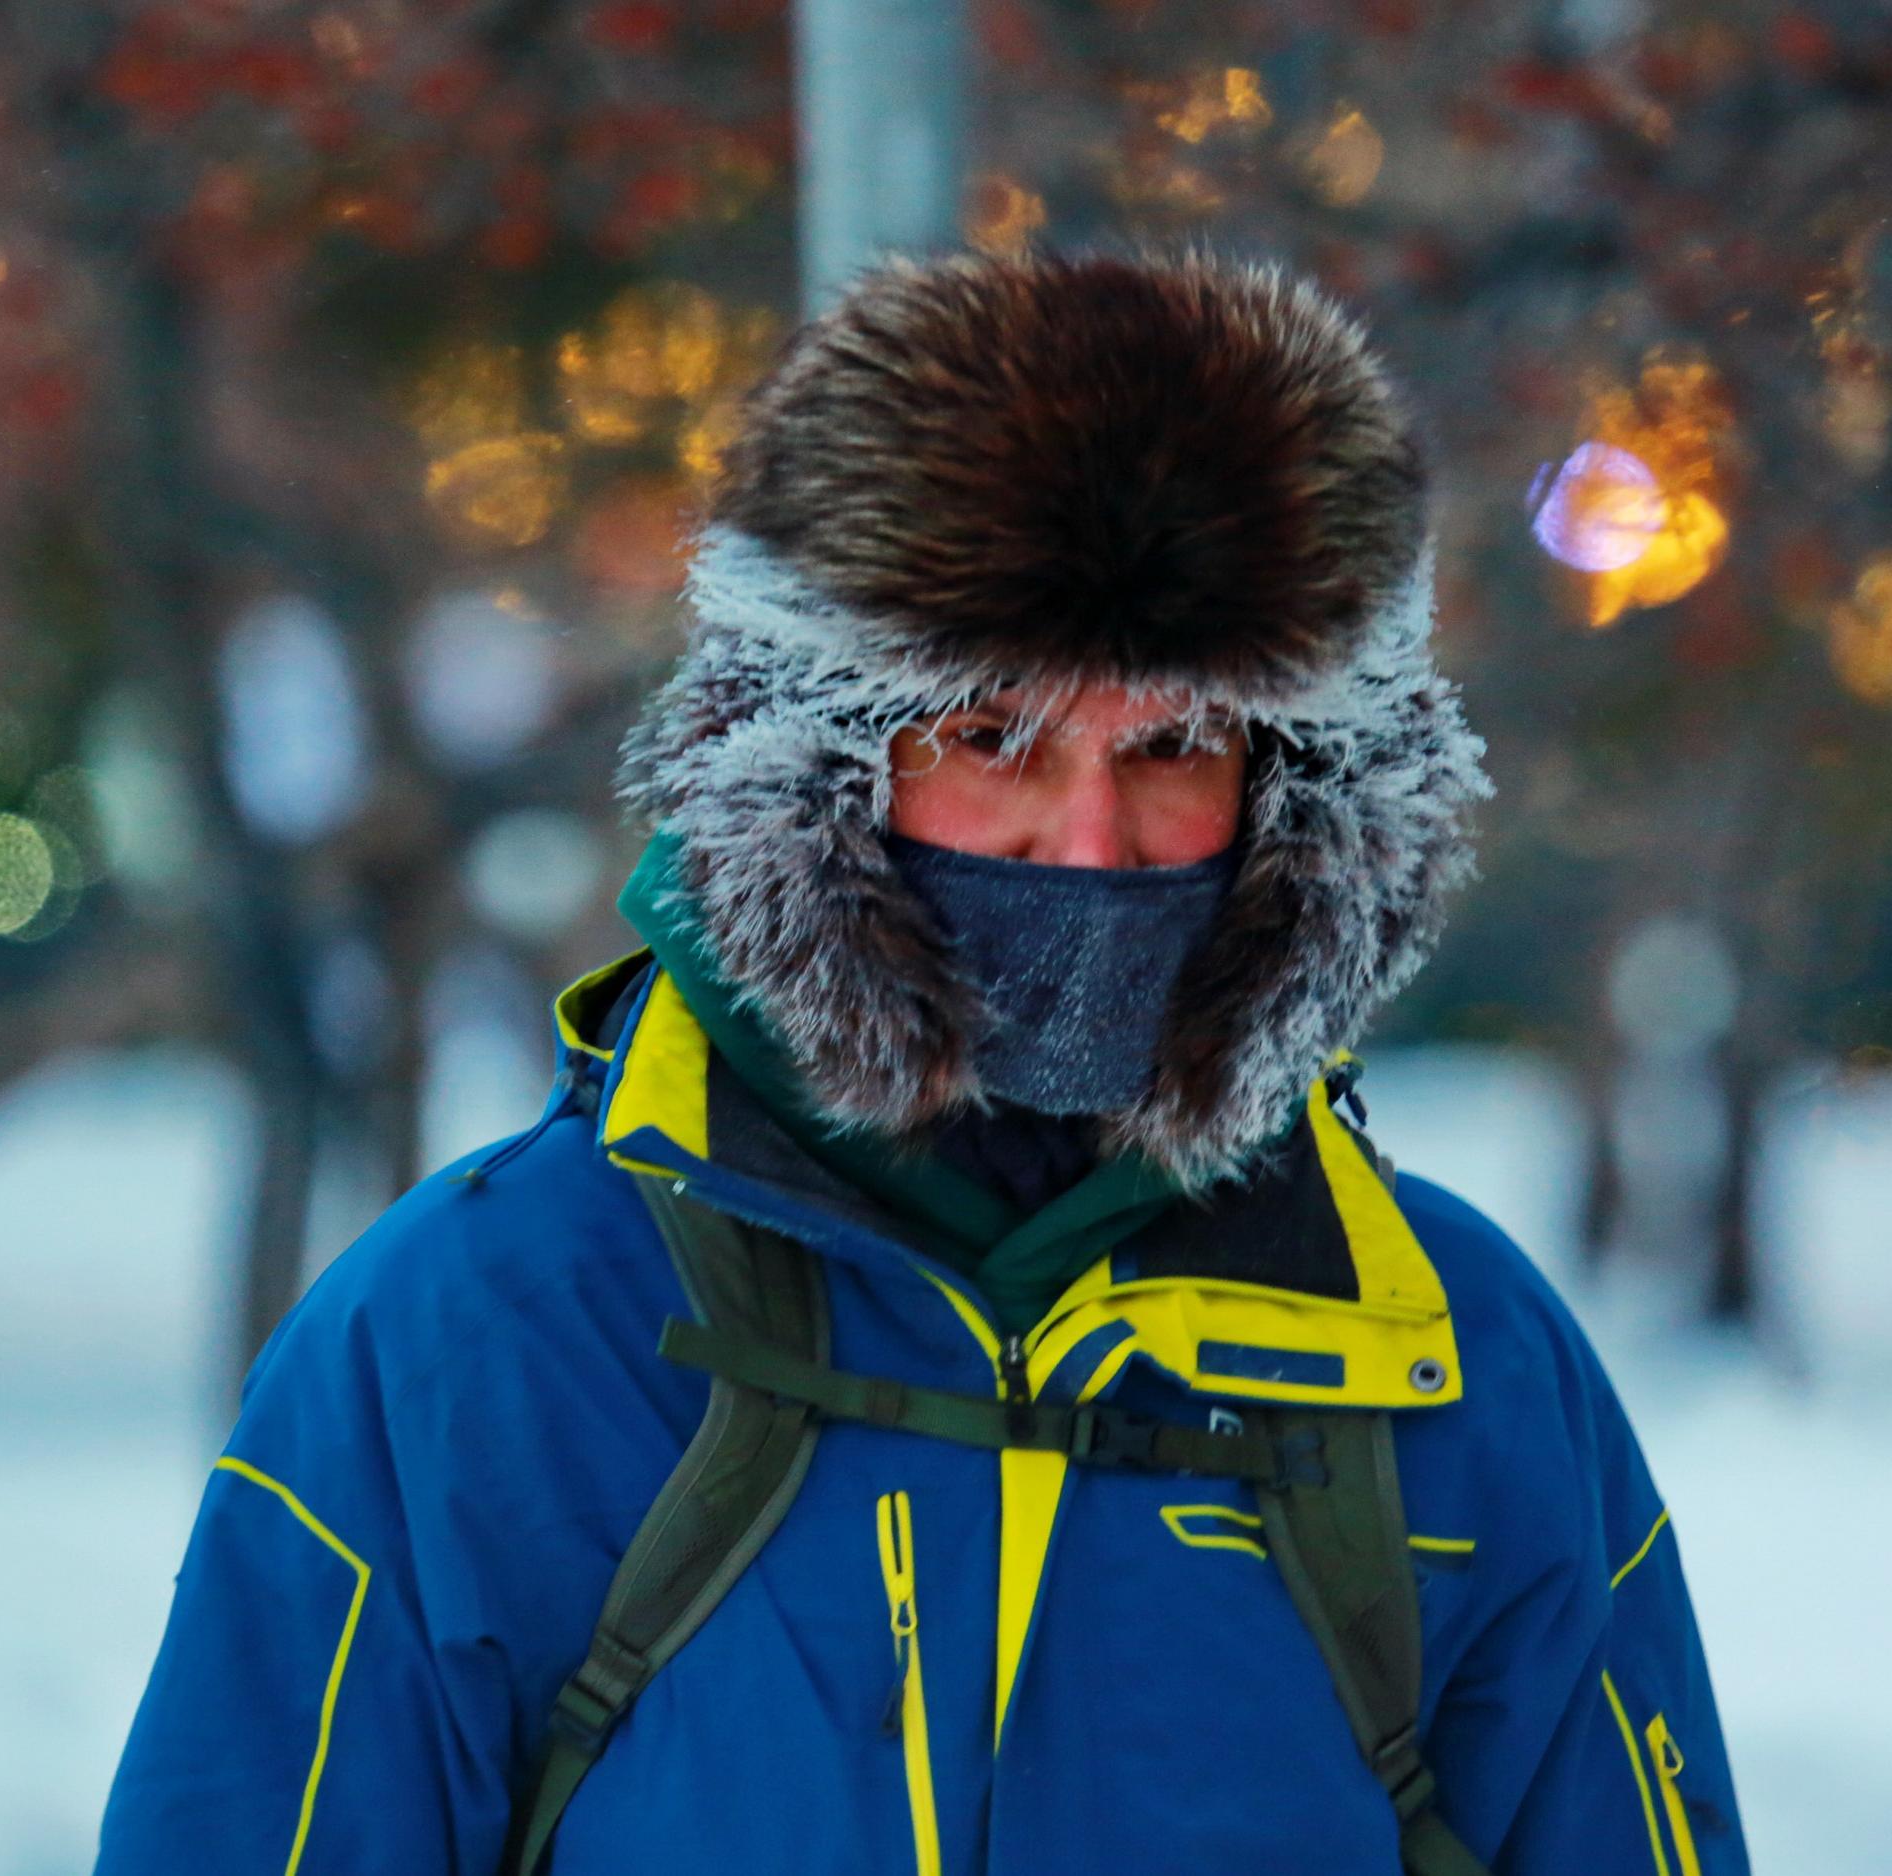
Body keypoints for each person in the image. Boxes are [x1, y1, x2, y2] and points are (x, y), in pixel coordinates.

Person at [94, 243, 1749, 1876]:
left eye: (1175, 745)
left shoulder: (1456, 1367)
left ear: (1298, 800)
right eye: (989, 735)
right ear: (817, 770)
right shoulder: (475, 1342)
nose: (1090, 843)